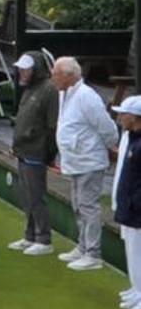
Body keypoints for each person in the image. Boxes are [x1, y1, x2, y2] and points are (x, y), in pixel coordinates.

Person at [53, 56, 119, 273]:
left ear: (70, 76)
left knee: (88, 206)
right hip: (74, 159)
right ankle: (82, 247)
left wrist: (113, 146)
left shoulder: (87, 96)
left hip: (89, 160)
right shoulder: (65, 93)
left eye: (57, 73)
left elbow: (105, 125)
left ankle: (93, 253)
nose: (53, 77)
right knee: (77, 204)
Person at [8, 49, 59, 255]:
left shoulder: (49, 90)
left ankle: (44, 239)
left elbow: (52, 125)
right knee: (26, 195)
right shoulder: (29, 88)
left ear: (35, 69)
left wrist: (48, 154)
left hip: (36, 151)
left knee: (36, 196)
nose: (22, 73)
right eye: (20, 69)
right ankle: (30, 235)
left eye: (25, 70)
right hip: (23, 150)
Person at [111, 96, 141, 309]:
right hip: (129, 206)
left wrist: (134, 202)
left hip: (137, 209)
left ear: (136, 117)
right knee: (132, 251)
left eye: (124, 114)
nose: (120, 118)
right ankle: (137, 289)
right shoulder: (131, 138)